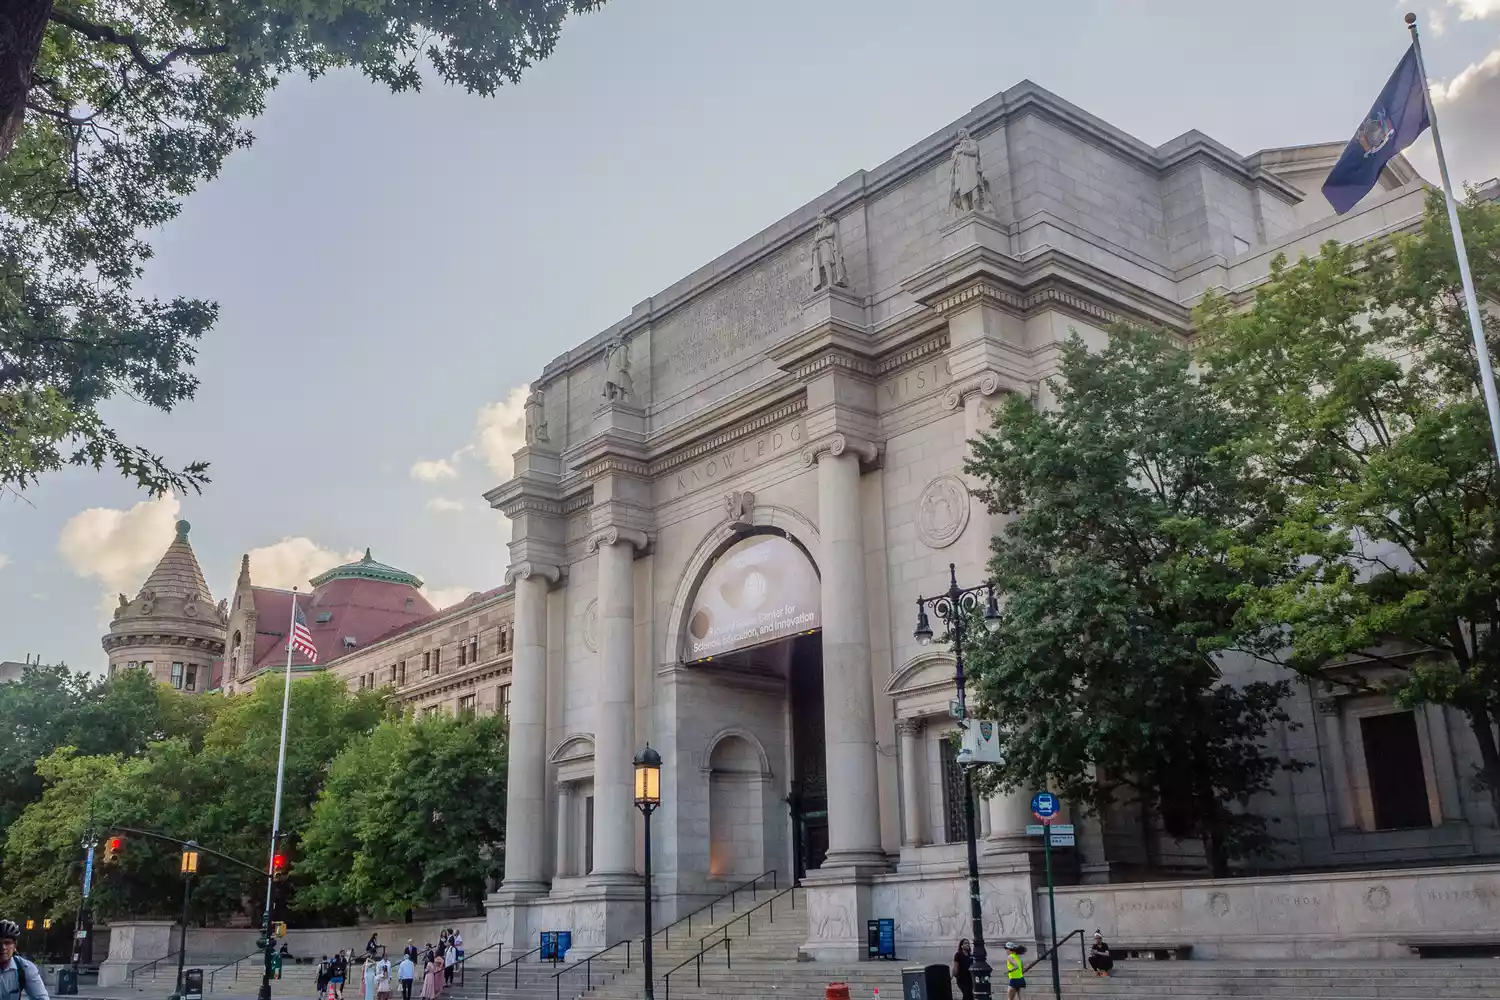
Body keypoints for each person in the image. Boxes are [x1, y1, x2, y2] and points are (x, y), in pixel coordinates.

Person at [0, 920, 50, 1000]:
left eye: (7, 943)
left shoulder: (25, 967)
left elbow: (41, 998)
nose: (3, 948)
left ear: (15, 945)